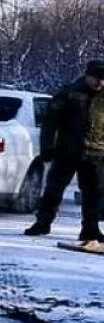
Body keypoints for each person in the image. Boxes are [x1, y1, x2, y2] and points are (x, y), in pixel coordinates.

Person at [25, 60, 104, 246]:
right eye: (96, 78)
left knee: (93, 194)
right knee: (54, 189)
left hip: (97, 153)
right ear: (87, 76)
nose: (100, 83)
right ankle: (43, 222)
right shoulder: (69, 94)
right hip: (66, 151)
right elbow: (50, 122)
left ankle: (90, 229)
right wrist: (47, 147)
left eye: (103, 80)